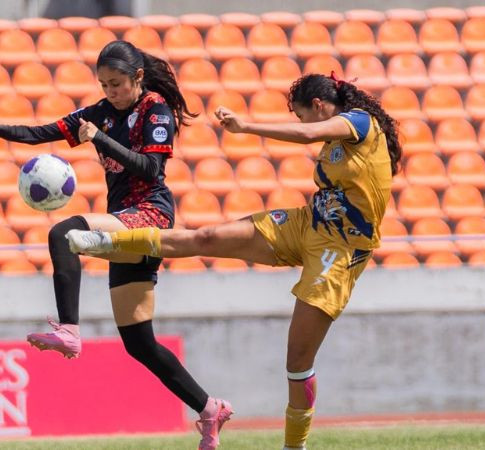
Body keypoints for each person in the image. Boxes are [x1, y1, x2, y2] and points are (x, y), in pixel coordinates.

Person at [67, 72, 402, 450]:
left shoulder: (361, 122)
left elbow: (309, 133)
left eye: (301, 114)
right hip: (307, 225)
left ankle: (295, 446)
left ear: (320, 107)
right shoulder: (337, 142)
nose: (302, 123)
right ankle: (104, 241)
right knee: (207, 237)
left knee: (297, 360)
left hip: (339, 251)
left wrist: (245, 126)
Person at [0, 40, 232, 450]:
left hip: (149, 214)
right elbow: (38, 134)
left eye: (116, 83)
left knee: (63, 233)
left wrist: (99, 138)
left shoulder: (154, 109)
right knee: (139, 342)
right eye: (104, 85)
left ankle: (69, 329)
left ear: (137, 78)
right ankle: (210, 410)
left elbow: (151, 168)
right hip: (123, 220)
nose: (110, 92)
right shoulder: (99, 113)